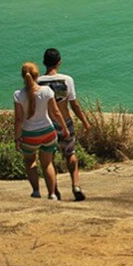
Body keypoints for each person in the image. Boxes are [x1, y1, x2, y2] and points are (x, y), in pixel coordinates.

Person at [38, 48, 91, 201]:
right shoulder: (67, 80)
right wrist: (85, 122)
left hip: (47, 124)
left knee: (49, 158)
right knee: (70, 153)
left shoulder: (38, 82)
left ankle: (54, 190)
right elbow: (74, 105)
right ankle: (75, 185)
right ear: (59, 62)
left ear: (44, 63)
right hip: (65, 123)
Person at [14, 62, 69, 200]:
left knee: (30, 162)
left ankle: (36, 191)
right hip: (48, 132)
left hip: (29, 135)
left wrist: (17, 138)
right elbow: (56, 112)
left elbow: (19, 120)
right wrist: (64, 128)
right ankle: (52, 194)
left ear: (23, 76)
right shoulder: (47, 91)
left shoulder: (18, 95)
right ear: (37, 75)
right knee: (48, 163)